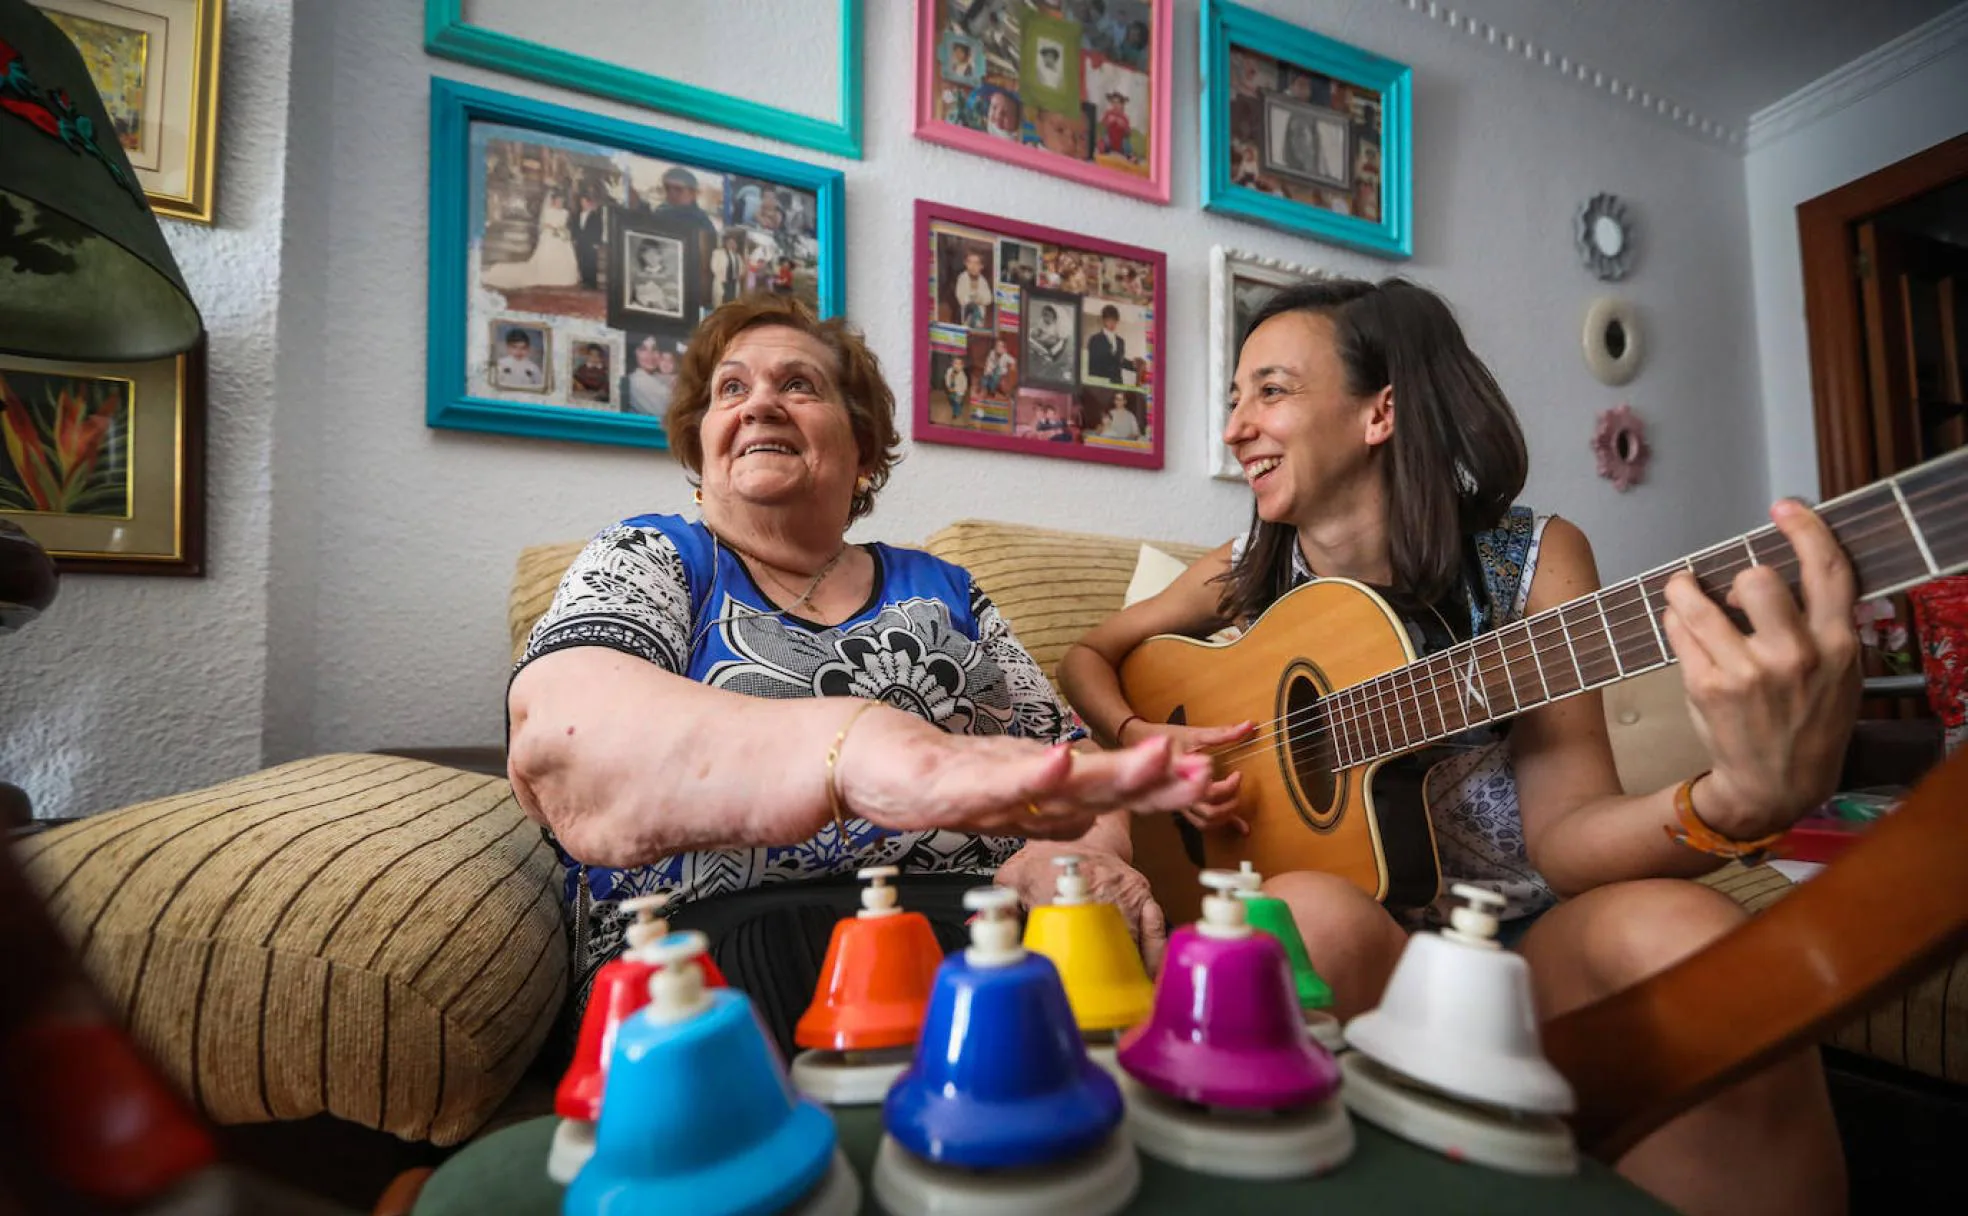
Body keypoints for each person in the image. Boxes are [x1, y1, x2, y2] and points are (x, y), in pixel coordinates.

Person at [1059, 277, 1859, 1216]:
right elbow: (1088, 657)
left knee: (1698, 945)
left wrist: (1731, 802)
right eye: (1236, 399)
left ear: (1380, 411)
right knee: (1299, 918)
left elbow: (1566, 834)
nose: (1237, 427)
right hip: (1364, 931)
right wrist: (1140, 736)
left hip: (1521, 935)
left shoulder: (1530, 560)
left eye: (1270, 391)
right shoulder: (1243, 577)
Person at [509, 296, 1209, 1037]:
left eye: (799, 386)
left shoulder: (945, 588)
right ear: (702, 443)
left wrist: (1068, 858)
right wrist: (864, 754)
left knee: (1100, 979)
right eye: (732, 389)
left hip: (978, 912)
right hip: (719, 936)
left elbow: (1069, 759)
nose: (761, 406)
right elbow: (566, 739)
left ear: (864, 451)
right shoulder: (652, 558)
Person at [483, 186, 581, 291]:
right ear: (553, 201)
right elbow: (545, 224)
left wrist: (563, 231)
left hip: (561, 238)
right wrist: (555, 229)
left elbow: (564, 225)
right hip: (550, 236)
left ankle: (562, 276)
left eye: (561, 201)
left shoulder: (565, 212)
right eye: (558, 201)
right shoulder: (549, 211)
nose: (560, 203)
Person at [619, 335, 675, 416]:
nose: (650, 355)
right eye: (643, 349)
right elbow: (669, 411)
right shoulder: (636, 380)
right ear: (635, 353)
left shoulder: (659, 376)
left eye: (654, 349)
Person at [571, 191, 606, 291]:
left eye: (585, 202)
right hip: (580, 242)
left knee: (591, 262)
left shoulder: (595, 216)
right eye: (581, 202)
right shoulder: (577, 215)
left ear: (589, 203)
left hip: (591, 242)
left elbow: (599, 229)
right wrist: (575, 238)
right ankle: (585, 281)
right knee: (582, 261)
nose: (583, 204)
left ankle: (592, 283)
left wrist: (597, 242)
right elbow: (575, 228)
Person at [952, 249, 994, 330]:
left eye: (976, 263)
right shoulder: (962, 278)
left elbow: (989, 298)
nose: (972, 266)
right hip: (965, 313)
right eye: (969, 262)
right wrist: (970, 299)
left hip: (979, 316)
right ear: (965, 263)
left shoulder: (983, 281)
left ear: (981, 266)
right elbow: (960, 296)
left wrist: (979, 298)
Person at [1085, 303, 1127, 382]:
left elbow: (1120, 362)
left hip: (1117, 383)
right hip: (1100, 382)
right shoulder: (1095, 339)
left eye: (1114, 320)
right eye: (1109, 320)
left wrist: (1133, 364)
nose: (1112, 323)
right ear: (1103, 320)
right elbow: (1091, 365)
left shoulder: (1121, 341)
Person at [711, 230, 747, 306]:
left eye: (734, 243)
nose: (732, 244)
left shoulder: (737, 256)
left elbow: (741, 269)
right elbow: (713, 267)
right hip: (722, 281)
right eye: (730, 242)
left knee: (732, 303)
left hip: (733, 283)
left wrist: (739, 275)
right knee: (720, 303)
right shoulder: (718, 252)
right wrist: (721, 277)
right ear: (726, 243)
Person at [942, 356, 970, 421]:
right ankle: (957, 403)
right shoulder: (949, 370)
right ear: (952, 364)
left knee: (957, 402)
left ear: (962, 366)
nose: (957, 365)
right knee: (951, 399)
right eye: (955, 363)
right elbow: (947, 378)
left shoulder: (963, 375)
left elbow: (963, 386)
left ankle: (956, 413)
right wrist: (948, 386)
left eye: (959, 364)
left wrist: (955, 389)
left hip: (959, 391)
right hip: (951, 389)